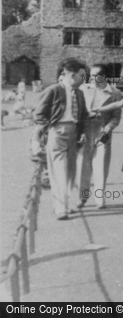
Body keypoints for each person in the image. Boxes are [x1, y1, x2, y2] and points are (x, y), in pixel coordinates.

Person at [34, 58, 89, 220]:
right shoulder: (54, 90)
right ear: (71, 75)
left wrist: (83, 132)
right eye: (81, 76)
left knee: (71, 170)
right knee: (59, 170)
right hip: (57, 131)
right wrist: (49, 129)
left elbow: (83, 115)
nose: (83, 80)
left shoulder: (79, 93)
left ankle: (65, 203)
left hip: (74, 134)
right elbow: (39, 114)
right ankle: (60, 209)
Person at [77, 64, 122, 209]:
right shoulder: (84, 89)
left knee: (101, 164)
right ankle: (82, 198)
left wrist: (108, 128)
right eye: (91, 75)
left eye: (96, 75)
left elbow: (116, 117)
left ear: (103, 76)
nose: (92, 78)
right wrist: (80, 130)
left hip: (103, 132)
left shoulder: (114, 93)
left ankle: (99, 199)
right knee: (84, 164)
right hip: (86, 129)